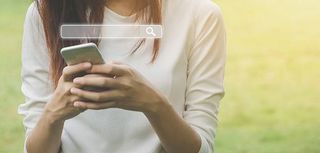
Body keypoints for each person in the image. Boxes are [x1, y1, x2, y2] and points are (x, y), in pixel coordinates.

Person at [18, 0, 226, 153]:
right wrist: (54, 113)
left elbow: (201, 148)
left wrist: (153, 104)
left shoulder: (201, 15)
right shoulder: (47, 10)